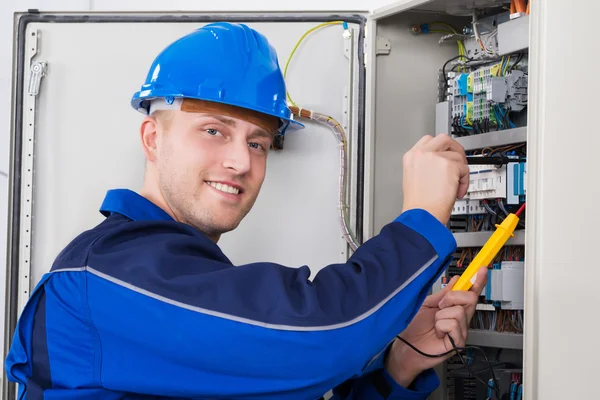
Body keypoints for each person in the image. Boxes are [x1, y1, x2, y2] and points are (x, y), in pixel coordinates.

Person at [5, 22, 486, 399]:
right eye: (213, 130)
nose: (240, 161)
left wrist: (399, 365)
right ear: (153, 139)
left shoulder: (189, 280)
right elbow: (323, 332)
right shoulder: (108, 275)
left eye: (258, 142)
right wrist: (422, 217)